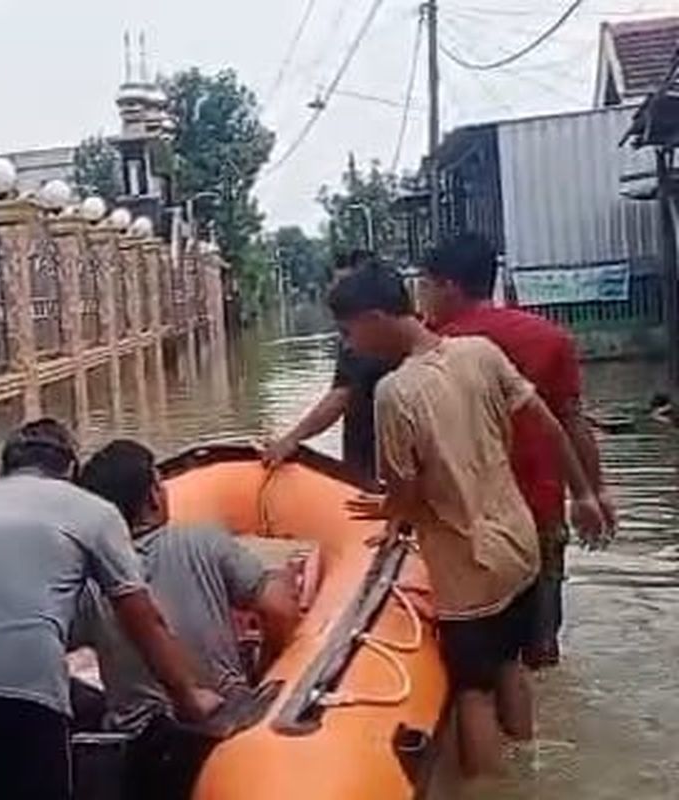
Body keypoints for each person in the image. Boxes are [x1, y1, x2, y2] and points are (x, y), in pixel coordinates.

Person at [328, 264, 606, 777]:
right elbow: (546, 419)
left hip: (467, 564)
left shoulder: (396, 392)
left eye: (349, 332)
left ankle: (494, 788)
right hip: (519, 543)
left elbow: (406, 493)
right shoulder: (480, 352)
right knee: (511, 667)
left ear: (373, 318)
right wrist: (585, 493)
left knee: (473, 693)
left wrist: (390, 518)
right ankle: (530, 769)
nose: (350, 344)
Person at [0, 420, 222, 800]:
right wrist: (188, 697)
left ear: (5, 468)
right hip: (23, 685)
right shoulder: (93, 511)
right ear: (71, 470)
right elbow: (141, 618)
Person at [421, 234, 616, 669]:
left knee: (478, 646)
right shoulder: (550, 339)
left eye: (426, 285)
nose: (423, 296)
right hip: (540, 506)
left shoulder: (430, 349)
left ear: (449, 286)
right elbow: (571, 419)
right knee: (541, 643)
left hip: (466, 516)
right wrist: (594, 492)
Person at [73, 439, 302, 800]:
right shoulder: (204, 542)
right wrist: (269, 666)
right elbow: (280, 610)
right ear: (153, 497)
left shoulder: (86, 581)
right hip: (219, 730)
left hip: (137, 750)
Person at [262, 250, 398, 481]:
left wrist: (292, 439)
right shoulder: (354, 336)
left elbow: (340, 396)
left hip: (386, 470)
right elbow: (341, 392)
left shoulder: (375, 340)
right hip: (363, 458)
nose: (338, 293)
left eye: (344, 285)